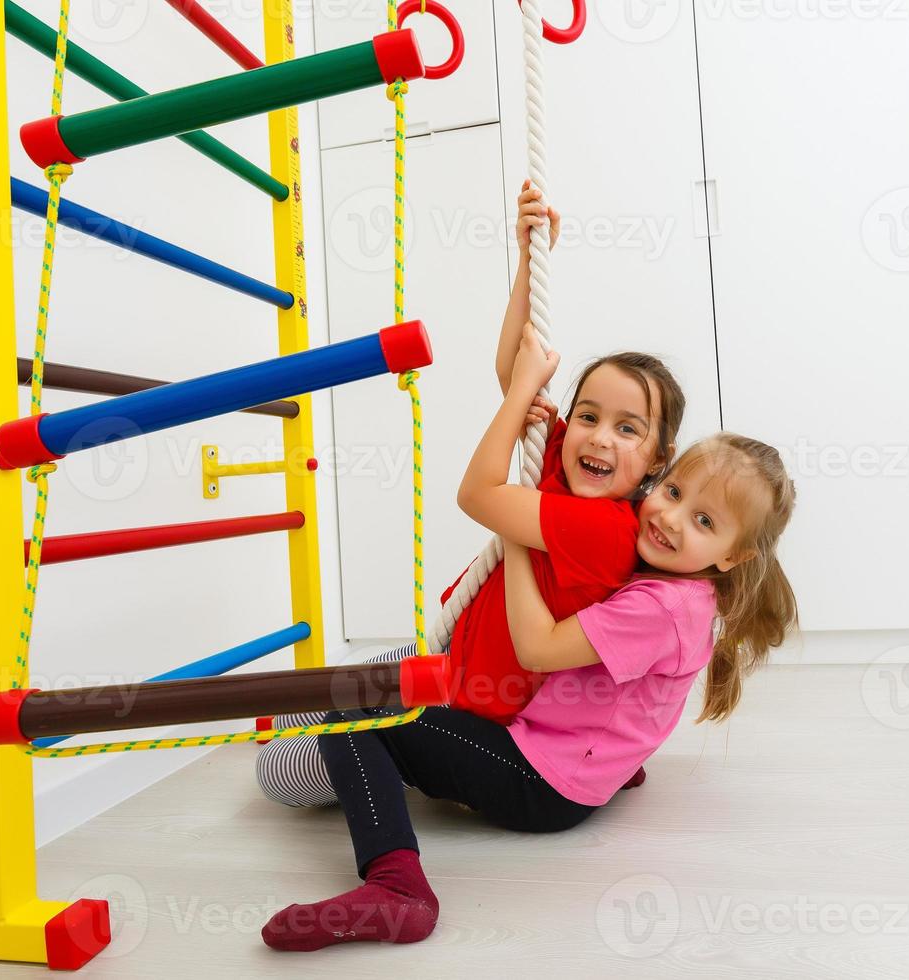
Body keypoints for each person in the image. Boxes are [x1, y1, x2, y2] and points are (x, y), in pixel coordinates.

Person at [259, 330, 799, 951]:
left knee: (353, 714)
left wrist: (517, 529)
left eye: (704, 521)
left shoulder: (663, 603)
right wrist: (525, 254)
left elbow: (539, 649)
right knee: (382, 675)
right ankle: (612, 757)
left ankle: (398, 884)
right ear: (659, 480)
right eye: (675, 494)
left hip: (540, 782)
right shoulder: (656, 547)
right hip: (546, 738)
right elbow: (517, 375)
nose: (670, 518)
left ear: (734, 555)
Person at [255, 182, 686, 806]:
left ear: (656, 458)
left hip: (468, 700)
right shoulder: (565, 467)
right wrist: (527, 259)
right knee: (307, 701)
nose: (597, 437)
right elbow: (515, 369)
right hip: (452, 650)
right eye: (587, 415)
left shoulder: (607, 527)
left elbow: (478, 494)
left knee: (277, 778)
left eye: (628, 429)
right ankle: (292, 728)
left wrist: (519, 396)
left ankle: (328, 756)